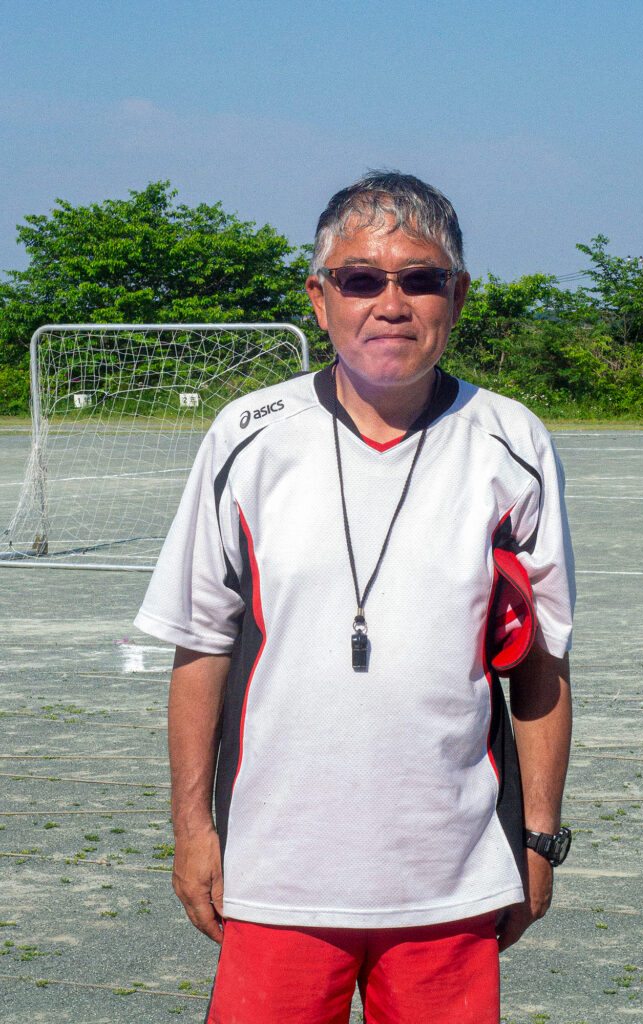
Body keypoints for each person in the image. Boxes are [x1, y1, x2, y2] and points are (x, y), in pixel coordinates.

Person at [134, 170, 575, 1024]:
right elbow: (201, 645)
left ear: (458, 295)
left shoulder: (510, 442)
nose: (390, 304)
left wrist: (537, 837)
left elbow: (541, 663)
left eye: (421, 279)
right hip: (275, 875)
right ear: (319, 296)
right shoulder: (247, 438)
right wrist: (192, 830)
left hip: (449, 877)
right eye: (361, 278)